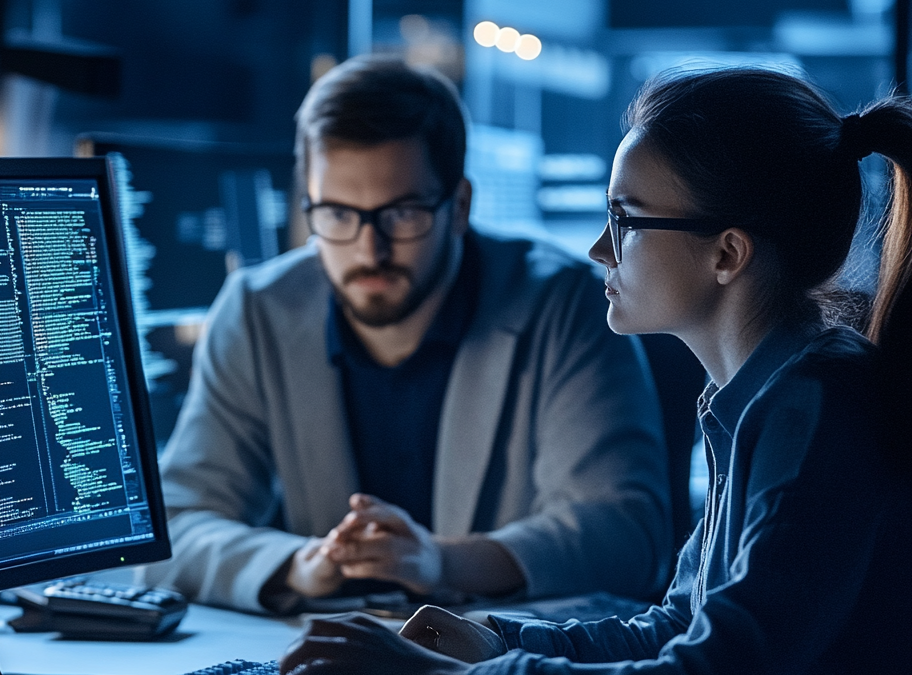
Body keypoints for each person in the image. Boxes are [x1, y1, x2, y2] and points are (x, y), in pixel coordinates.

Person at [279, 67, 912, 673]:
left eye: (625, 219)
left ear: (727, 254)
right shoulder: (759, 398)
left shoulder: (811, 409)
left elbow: (714, 668)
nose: (598, 249)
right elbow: (676, 628)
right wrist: (492, 639)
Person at [139, 55, 674, 614]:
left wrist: (441, 562)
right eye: (338, 214)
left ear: (459, 206)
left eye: (402, 213)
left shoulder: (563, 304)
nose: (369, 250)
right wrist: (300, 565)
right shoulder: (258, 311)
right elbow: (174, 526)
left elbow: (626, 536)